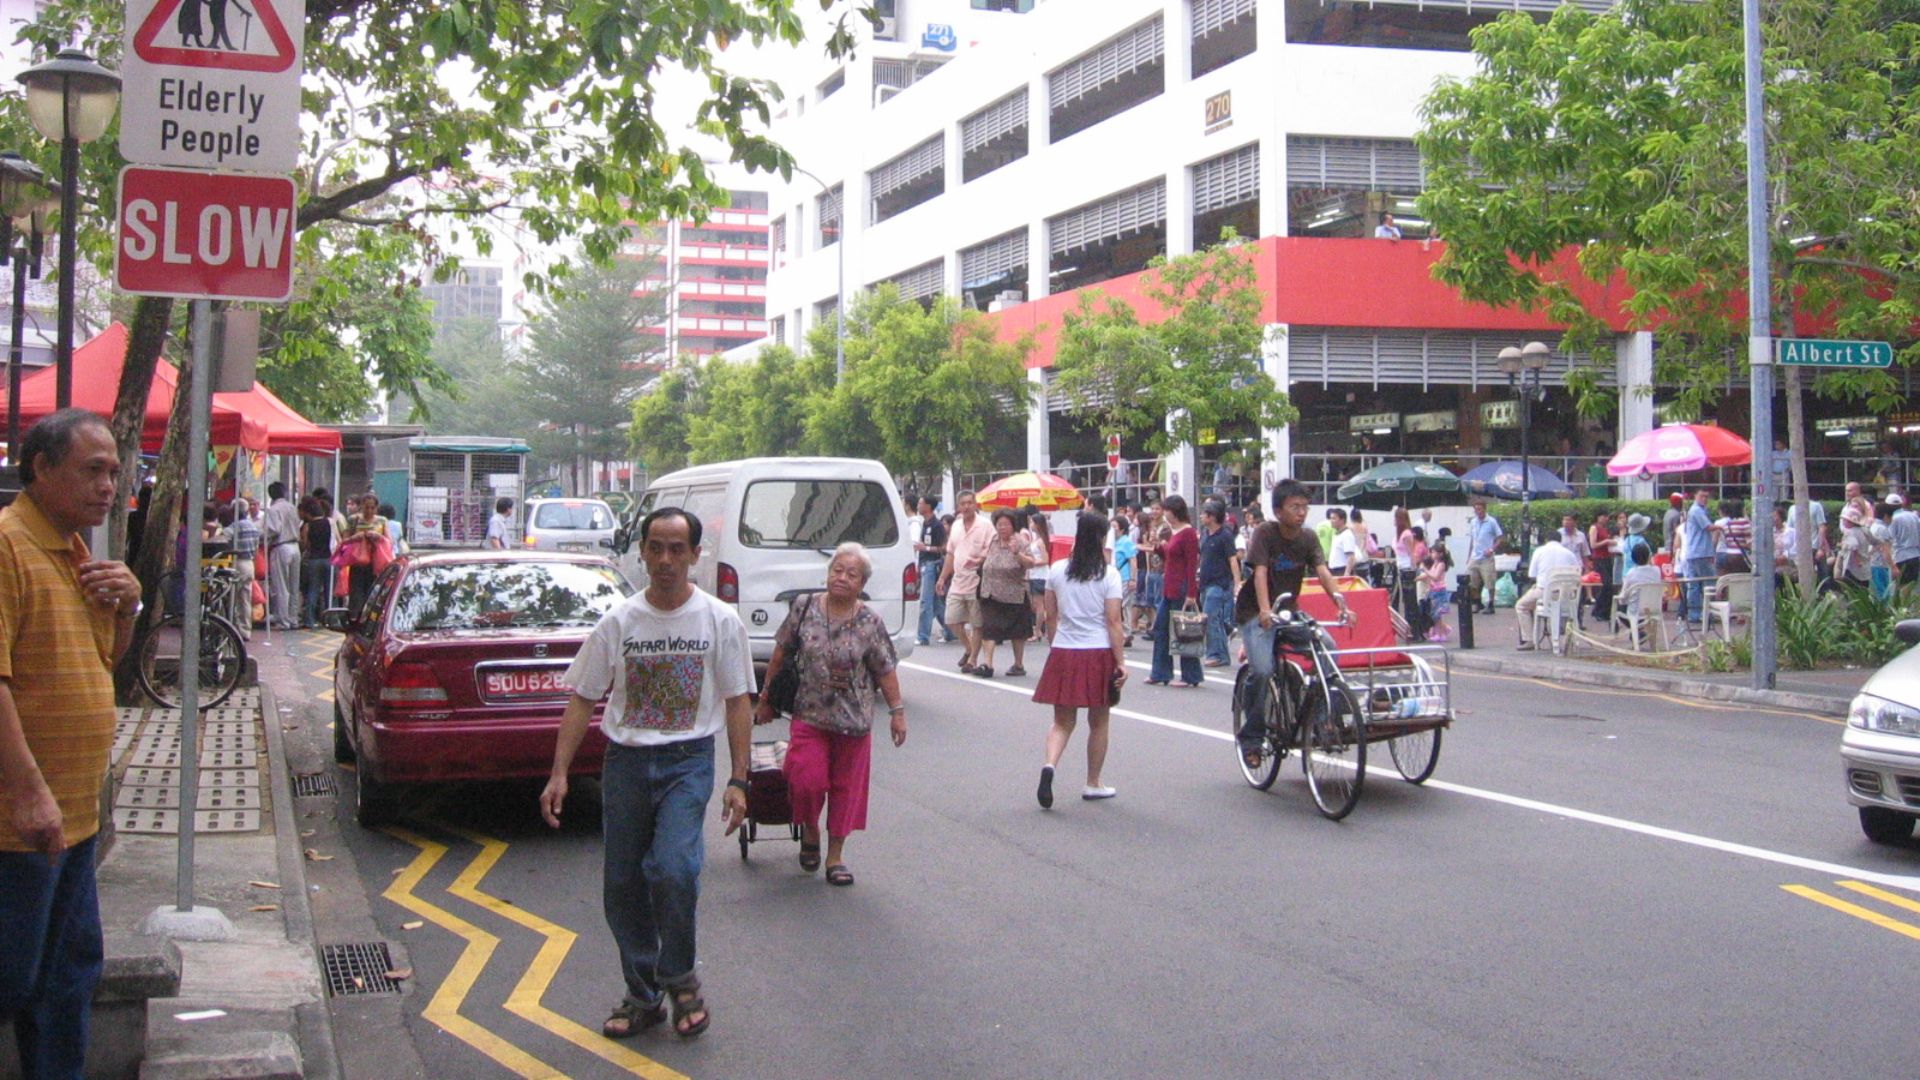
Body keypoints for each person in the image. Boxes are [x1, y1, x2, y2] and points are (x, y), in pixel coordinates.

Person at [541, 507, 754, 1041]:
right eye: (656, 547)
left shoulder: (718, 620)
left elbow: (737, 702)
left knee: (675, 869)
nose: (665, 560)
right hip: (627, 764)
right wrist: (559, 772)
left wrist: (739, 779)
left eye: (676, 549)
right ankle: (643, 995)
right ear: (641, 551)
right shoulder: (620, 623)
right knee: (623, 885)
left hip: (688, 760)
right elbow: (583, 698)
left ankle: (680, 978)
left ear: (694, 556)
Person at [0, 410, 142, 1079]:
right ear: (42, 469)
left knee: (67, 982)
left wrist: (128, 608)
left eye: (114, 471)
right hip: (19, 828)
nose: (108, 485)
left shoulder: (79, 554)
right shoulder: (7, 546)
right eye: (93, 470)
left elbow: (101, 664)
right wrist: (28, 794)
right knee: (12, 978)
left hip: (75, 818)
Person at [754, 544, 905, 885]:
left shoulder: (870, 621)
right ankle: (810, 830)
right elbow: (781, 653)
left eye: (851, 574)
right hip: (809, 714)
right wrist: (766, 698)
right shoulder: (804, 608)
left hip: (854, 721)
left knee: (845, 790)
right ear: (828, 573)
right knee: (806, 779)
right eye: (837, 570)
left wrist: (897, 712)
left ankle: (835, 857)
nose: (842, 578)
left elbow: (885, 669)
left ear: (862, 582)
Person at [1235, 479, 1353, 766]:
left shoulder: (1308, 538)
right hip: (1255, 613)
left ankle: (1324, 718)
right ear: (1278, 511)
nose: (1301, 513)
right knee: (1262, 670)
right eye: (1294, 507)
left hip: (1289, 612)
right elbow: (1260, 573)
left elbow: (1323, 572)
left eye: (1304, 507)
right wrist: (1264, 610)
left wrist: (1339, 600)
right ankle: (1251, 737)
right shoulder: (1265, 533)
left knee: (1327, 645)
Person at [1033, 513, 1128, 807]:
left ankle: (1050, 766)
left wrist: (1054, 644)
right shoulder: (1109, 574)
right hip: (1097, 651)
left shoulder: (1058, 570)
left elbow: (1050, 615)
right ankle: (1093, 782)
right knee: (1099, 721)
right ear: (1101, 538)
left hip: (1065, 649)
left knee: (1062, 721)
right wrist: (1121, 661)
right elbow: (1113, 622)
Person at [972, 509, 1037, 678]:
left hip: (1013, 594)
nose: (1002, 528)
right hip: (990, 592)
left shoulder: (1021, 542)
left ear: (1013, 525)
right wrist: (979, 560)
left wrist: (1017, 554)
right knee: (989, 628)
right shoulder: (993, 540)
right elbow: (987, 556)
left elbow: (1031, 563)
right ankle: (988, 664)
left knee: (1018, 632)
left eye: (1006, 524)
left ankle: (1018, 664)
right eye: (999, 524)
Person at [1148, 495, 1203, 688]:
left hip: (1181, 587)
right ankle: (1160, 672)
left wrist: (1191, 593)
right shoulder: (1173, 531)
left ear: (1175, 511)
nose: (1164, 514)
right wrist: (1159, 547)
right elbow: (1170, 556)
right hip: (1169, 586)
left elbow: (1191, 563)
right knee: (1161, 630)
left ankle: (1190, 675)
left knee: (1184, 631)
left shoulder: (1187, 533)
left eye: (1167, 510)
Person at [937, 492, 993, 674]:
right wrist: (942, 577)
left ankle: (973, 659)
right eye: (963, 503)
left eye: (970, 503)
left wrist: (980, 559)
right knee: (951, 620)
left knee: (977, 623)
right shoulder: (956, 526)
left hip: (977, 581)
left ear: (975, 504)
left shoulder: (985, 525)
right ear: (959, 506)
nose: (967, 506)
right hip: (958, 581)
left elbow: (992, 548)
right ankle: (969, 648)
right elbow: (951, 554)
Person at [1514, 532, 1582, 651]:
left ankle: (1529, 639)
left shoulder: (1539, 551)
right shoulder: (1569, 553)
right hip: (1566, 594)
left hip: (1545, 592)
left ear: (1546, 539)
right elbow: (1577, 573)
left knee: (1521, 606)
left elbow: (1532, 574)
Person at [1196, 500, 1239, 667]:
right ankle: (1222, 654)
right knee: (1216, 619)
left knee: (1210, 617)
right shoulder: (1205, 534)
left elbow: (1233, 560)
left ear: (1212, 516)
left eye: (1204, 513)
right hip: (1205, 582)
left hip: (1219, 583)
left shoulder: (1225, 535)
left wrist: (1236, 583)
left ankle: (1215, 653)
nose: (1201, 516)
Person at [339, 494, 391, 613]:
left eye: (372, 508)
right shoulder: (353, 520)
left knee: (373, 595)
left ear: (376, 508)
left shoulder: (382, 521)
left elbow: (389, 542)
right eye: (366, 507)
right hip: (357, 564)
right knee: (356, 596)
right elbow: (344, 542)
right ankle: (356, 618)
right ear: (361, 506)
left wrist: (378, 537)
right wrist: (355, 538)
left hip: (375, 565)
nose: (369, 511)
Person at [262, 480, 302, 631]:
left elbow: (274, 529)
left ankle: (284, 621)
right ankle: (293, 619)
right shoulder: (292, 507)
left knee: (281, 586)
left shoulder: (273, 510)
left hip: (281, 546)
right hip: (295, 546)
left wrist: (263, 537)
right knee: (294, 585)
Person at [912, 496, 950, 646]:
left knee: (926, 601)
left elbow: (944, 548)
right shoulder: (924, 523)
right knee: (937, 603)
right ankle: (950, 630)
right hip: (924, 563)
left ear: (929, 506)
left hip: (932, 564)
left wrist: (926, 548)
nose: (919, 505)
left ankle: (923, 636)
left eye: (921, 503)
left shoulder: (937, 525)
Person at [1681, 489, 1715, 628]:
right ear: (1695, 496)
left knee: (1694, 585)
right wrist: (1723, 526)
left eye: (1707, 496)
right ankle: (1707, 613)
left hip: (1693, 552)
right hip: (1701, 552)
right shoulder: (1697, 511)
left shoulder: (1695, 510)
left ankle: (1694, 614)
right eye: (1702, 496)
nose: (1705, 499)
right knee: (1709, 583)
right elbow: (1708, 527)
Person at [298, 496, 333, 629]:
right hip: (328, 558)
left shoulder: (308, 526)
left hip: (314, 559)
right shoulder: (328, 522)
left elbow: (306, 545)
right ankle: (329, 619)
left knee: (313, 589)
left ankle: (310, 620)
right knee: (328, 591)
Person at [1465, 499, 1503, 613]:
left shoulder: (1491, 522)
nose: (1478, 512)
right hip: (1475, 556)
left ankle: (1491, 604)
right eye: (1476, 509)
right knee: (1470, 579)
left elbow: (1500, 538)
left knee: (1490, 581)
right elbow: (1472, 540)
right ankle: (1477, 602)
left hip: (1486, 557)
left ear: (1484, 509)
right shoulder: (1473, 522)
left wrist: (1492, 549)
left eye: (1480, 509)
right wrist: (1468, 556)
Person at [1025, 510, 1052, 643]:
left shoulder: (1040, 541)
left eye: (1032, 522)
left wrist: (1033, 562)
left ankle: (1038, 630)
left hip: (1040, 575)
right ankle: (1040, 629)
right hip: (1035, 574)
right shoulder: (1036, 539)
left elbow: (1045, 559)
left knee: (1039, 604)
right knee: (1038, 605)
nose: (1030, 524)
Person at [1111, 515, 1137, 648]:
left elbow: (1133, 560)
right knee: (1120, 605)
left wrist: (1133, 578)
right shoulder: (1113, 542)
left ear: (1122, 529)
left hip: (1125, 577)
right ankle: (1125, 632)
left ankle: (1126, 632)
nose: (1112, 529)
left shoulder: (1126, 542)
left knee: (1121, 605)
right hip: (1116, 577)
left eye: (1115, 527)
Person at [1588, 511, 1617, 621]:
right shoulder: (1594, 528)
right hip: (1599, 559)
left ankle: (1605, 611)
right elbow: (1593, 544)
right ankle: (1598, 609)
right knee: (1606, 584)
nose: (1606, 518)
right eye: (1603, 516)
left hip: (1607, 557)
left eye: (1606, 516)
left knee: (1610, 585)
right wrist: (1606, 541)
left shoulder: (1605, 529)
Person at [1714, 499, 1752, 575]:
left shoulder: (1728, 524)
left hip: (1729, 555)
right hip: (1741, 556)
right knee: (1744, 579)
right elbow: (1749, 543)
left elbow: (1727, 541)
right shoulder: (1744, 523)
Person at [1890, 493, 1920, 585]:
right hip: (1914, 555)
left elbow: (1890, 539)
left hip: (1900, 556)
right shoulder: (1914, 517)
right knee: (1910, 587)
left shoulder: (1893, 518)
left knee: (1900, 588)